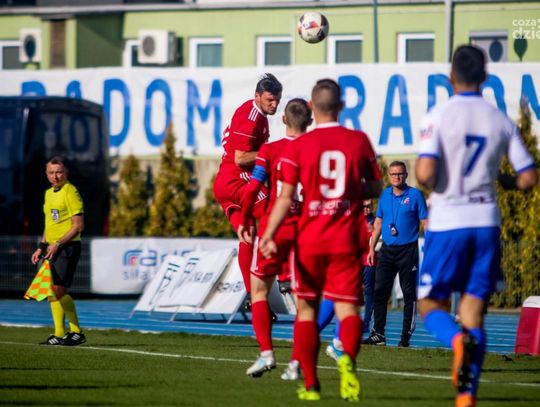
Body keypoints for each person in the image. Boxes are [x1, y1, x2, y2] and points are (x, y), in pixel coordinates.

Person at [415, 45, 537, 407]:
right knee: (473, 311)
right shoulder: (499, 120)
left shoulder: (438, 114)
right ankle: (467, 396)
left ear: (450, 77)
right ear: (485, 76)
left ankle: (456, 341)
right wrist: (505, 181)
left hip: (448, 222)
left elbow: (425, 174)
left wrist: (435, 180)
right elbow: (528, 177)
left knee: (430, 304)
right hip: (486, 223)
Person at [259, 79, 382, 401]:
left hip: (310, 240)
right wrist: (350, 190)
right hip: (346, 238)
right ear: (341, 106)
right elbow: (375, 187)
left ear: (312, 108)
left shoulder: (299, 146)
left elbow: (285, 197)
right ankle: (347, 361)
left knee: (307, 312)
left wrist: (268, 234)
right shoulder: (358, 141)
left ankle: (311, 385)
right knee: (348, 310)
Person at [237, 98, 312, 378]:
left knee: (258, 291)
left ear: (283, 120)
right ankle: (296, 361)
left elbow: (252, 187)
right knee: (304, 302)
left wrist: (246, 219)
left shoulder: (269, 150)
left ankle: (266, 354)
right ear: (310, 121)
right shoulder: (317, 150)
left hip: (274, 229)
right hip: (306, 231)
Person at [213, 73, 283, 307]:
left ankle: (254, 297)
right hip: (237, 180)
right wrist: (273, 152)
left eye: (277, 100)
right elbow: (241, 158)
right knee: (275, 218)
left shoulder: (258, 115)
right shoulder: (251, 117)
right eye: (270, 99)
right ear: (257, 96)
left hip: (226, 183)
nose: (274, 104)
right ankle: (286, 277)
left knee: (248, 236)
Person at [363, 161, 428, 347]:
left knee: (408, 294)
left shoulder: (415, 195)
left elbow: (426, 223)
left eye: (400, 173)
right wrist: (371, 249)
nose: (396, 177)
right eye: (393, 174)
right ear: (389, 176)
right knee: (379, 292)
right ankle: (378, 334)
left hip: (408, 251)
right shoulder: (385, 195)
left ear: (406, 175)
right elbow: (377, 224)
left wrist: (430, 247)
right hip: (387, 251)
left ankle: (405, 336)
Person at [30, 156, 86, 346]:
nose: (55, 176)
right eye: (51, 172)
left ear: (66, 173)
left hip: (67, 247)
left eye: (59, 172)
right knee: (51, 292)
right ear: (46, 174)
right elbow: (50, 224)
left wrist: (58, 244)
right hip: (52, 248)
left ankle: (77, 332)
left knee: (58, 290)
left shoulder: (71, 192)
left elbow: (78, 226)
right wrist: (41, 246)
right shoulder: (48, 193)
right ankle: (59, 334)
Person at [361, 199, 377, 334]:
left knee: (369, 292)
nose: (366, 208)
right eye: (364, 206)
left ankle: (366, 323)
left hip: (369, 261)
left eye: (368, 206)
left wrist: (374, 231)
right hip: (354, 261)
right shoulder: (353, 218)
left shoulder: (376, 220)